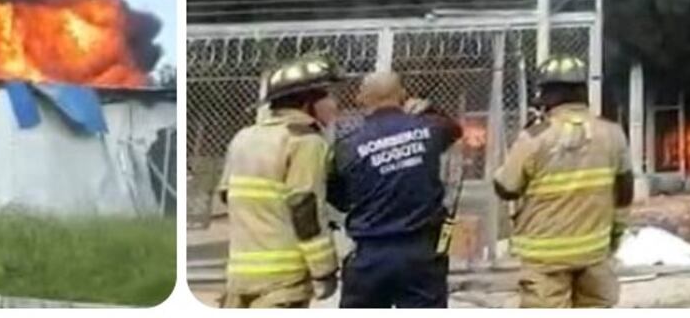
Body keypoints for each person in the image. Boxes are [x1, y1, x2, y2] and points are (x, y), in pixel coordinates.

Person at [494, 55, 633, 308]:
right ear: (582, 91)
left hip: (545, 259)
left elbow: (506, 188)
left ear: (547, 94)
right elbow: (625, 193)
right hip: (595, 252)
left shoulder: (535, 136)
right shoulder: (612, 133)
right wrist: (614, 236)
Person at [326, 71, 462, 308]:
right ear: (403, 95)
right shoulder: (429, 128)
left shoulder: (348, 146)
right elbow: (454, 129)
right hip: (421, 251)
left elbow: (338, 198)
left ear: (361, 99)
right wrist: (428, 107)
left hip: (369, 255)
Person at [218, 54, 342, 308]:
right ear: (307, 102)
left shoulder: (244, 137)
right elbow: (304, 207)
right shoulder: (306, 141)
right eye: (327, 95)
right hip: (284, 283)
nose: (335, 103)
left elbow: (226, 195)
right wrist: (324, 269)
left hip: (238, 276)